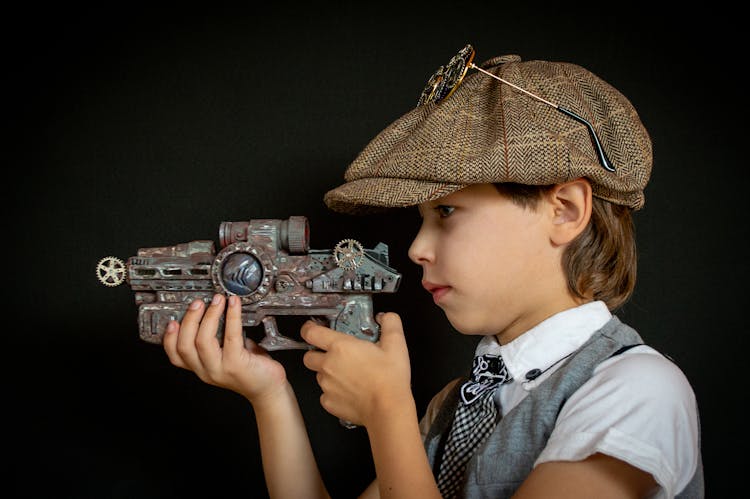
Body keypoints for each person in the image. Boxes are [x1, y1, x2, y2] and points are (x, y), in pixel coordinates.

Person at [162, 45, 703, 498]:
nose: (417, 248)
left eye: (446, 212)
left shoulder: (637, 391)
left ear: (564, 210)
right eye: (421, 220)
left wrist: (386, 412)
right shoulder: (456, 402)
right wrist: (269, 394)